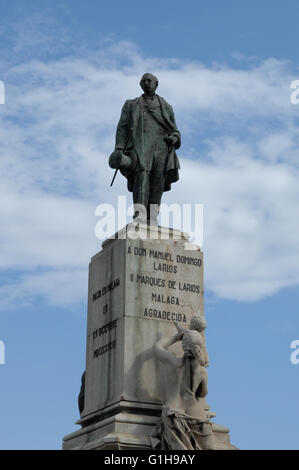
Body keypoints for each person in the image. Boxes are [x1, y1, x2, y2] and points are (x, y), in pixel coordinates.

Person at [109, 73, 181, 224]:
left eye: (150, 81)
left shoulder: (166, 106)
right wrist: (119, 148)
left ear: (156, 84)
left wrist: (174, 138)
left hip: (161, 146)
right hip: (140, 145)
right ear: (140, 85)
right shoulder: (131, 104)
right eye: (143, 81)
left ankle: (152, 216)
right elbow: (122, 127)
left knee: (158, 180)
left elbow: (175, 131)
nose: (147, 83)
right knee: (141, 176)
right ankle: (139, 215)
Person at [151, 326, 215, 450]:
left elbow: (157, 347)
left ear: (184, 347)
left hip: (174, 414)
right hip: (197, 416)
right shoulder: (202, 372)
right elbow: (202, 393)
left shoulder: (173, 362)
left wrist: (176, 337)